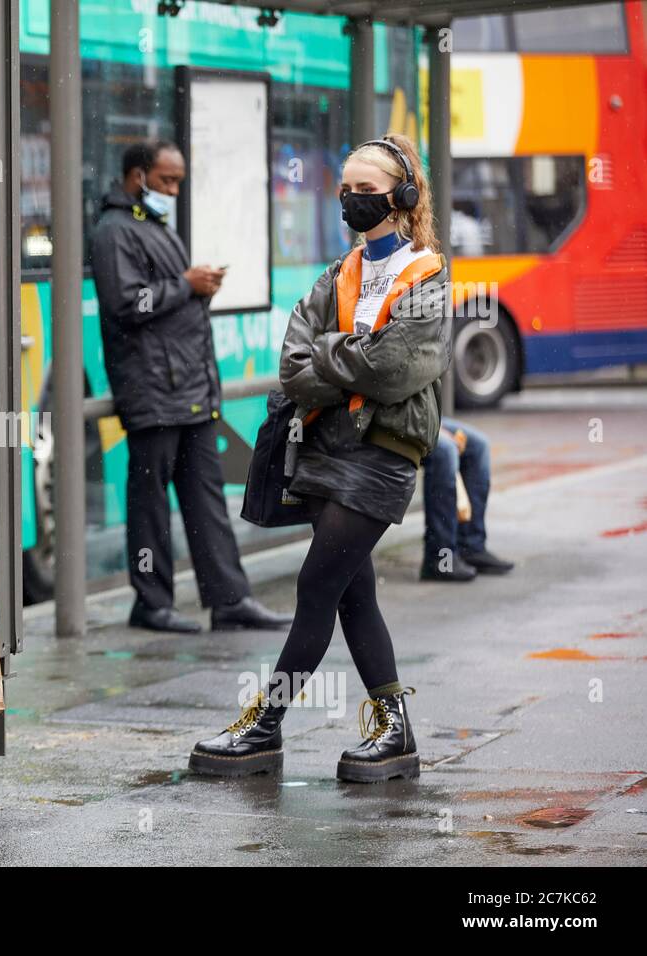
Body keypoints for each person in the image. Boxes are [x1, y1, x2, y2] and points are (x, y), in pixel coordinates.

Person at [189, 134, 450, 783]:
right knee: (352, 596)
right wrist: (351, 356)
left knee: (315, 586)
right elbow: (291, 365)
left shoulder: (428, 279)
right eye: (347, 192)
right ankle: (396, 733)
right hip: (328, 449)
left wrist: (335, 358)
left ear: (404, 198)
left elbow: (393, 370)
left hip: (383, 452)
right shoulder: (339, 275)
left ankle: (265, 726)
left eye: (368, 193)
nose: (354, 203)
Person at [90, 140, 291, 634]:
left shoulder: (151, 225)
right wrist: (187, 283)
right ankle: (152, 603)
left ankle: (230, 599)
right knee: (150, 503)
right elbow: (124, 304)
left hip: (189, 390)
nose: (174, 190)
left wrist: (190, 284)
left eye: (178, 181)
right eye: (166, 181)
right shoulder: (114, 230)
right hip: (153, 392)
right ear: (138, 177)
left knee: (207, 502)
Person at [420, 417, 514, 582]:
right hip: (389, 416)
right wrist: (433, 427)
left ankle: (470, 547)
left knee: (478, 446)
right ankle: (441, 560)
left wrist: (434, 423)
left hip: (421, 415)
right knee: (445, 450)